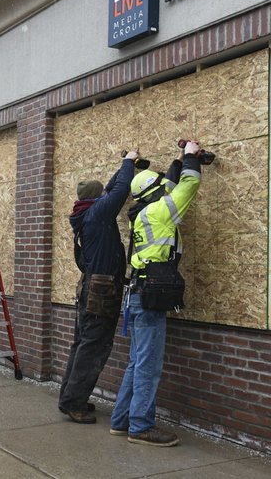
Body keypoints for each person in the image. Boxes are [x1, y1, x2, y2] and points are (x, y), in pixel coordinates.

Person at [110, 140, 202, 447]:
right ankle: (140, 427)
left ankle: (121, 421)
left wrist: (178, 161)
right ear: (154, 192)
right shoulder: (160, 212)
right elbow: (187, 186)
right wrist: (190, 157)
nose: (166, 190)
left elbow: (170, 188)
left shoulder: (143, 214)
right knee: (148, 365)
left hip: (137, 295)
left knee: (137, 362)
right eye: (161, 187)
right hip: (148, 300)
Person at [58, 149, 137, 424]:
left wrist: (124, 165)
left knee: (82, 343)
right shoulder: (98, 214)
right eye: (101, 194)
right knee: (94, 346)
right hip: (101, 290)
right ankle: (74, 402)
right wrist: (130, 161)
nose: (106, 196)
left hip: (89, 287)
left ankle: (69, 398)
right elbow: (121, 189)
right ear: (97, 198)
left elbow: (113, 187)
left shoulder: (86, 213)